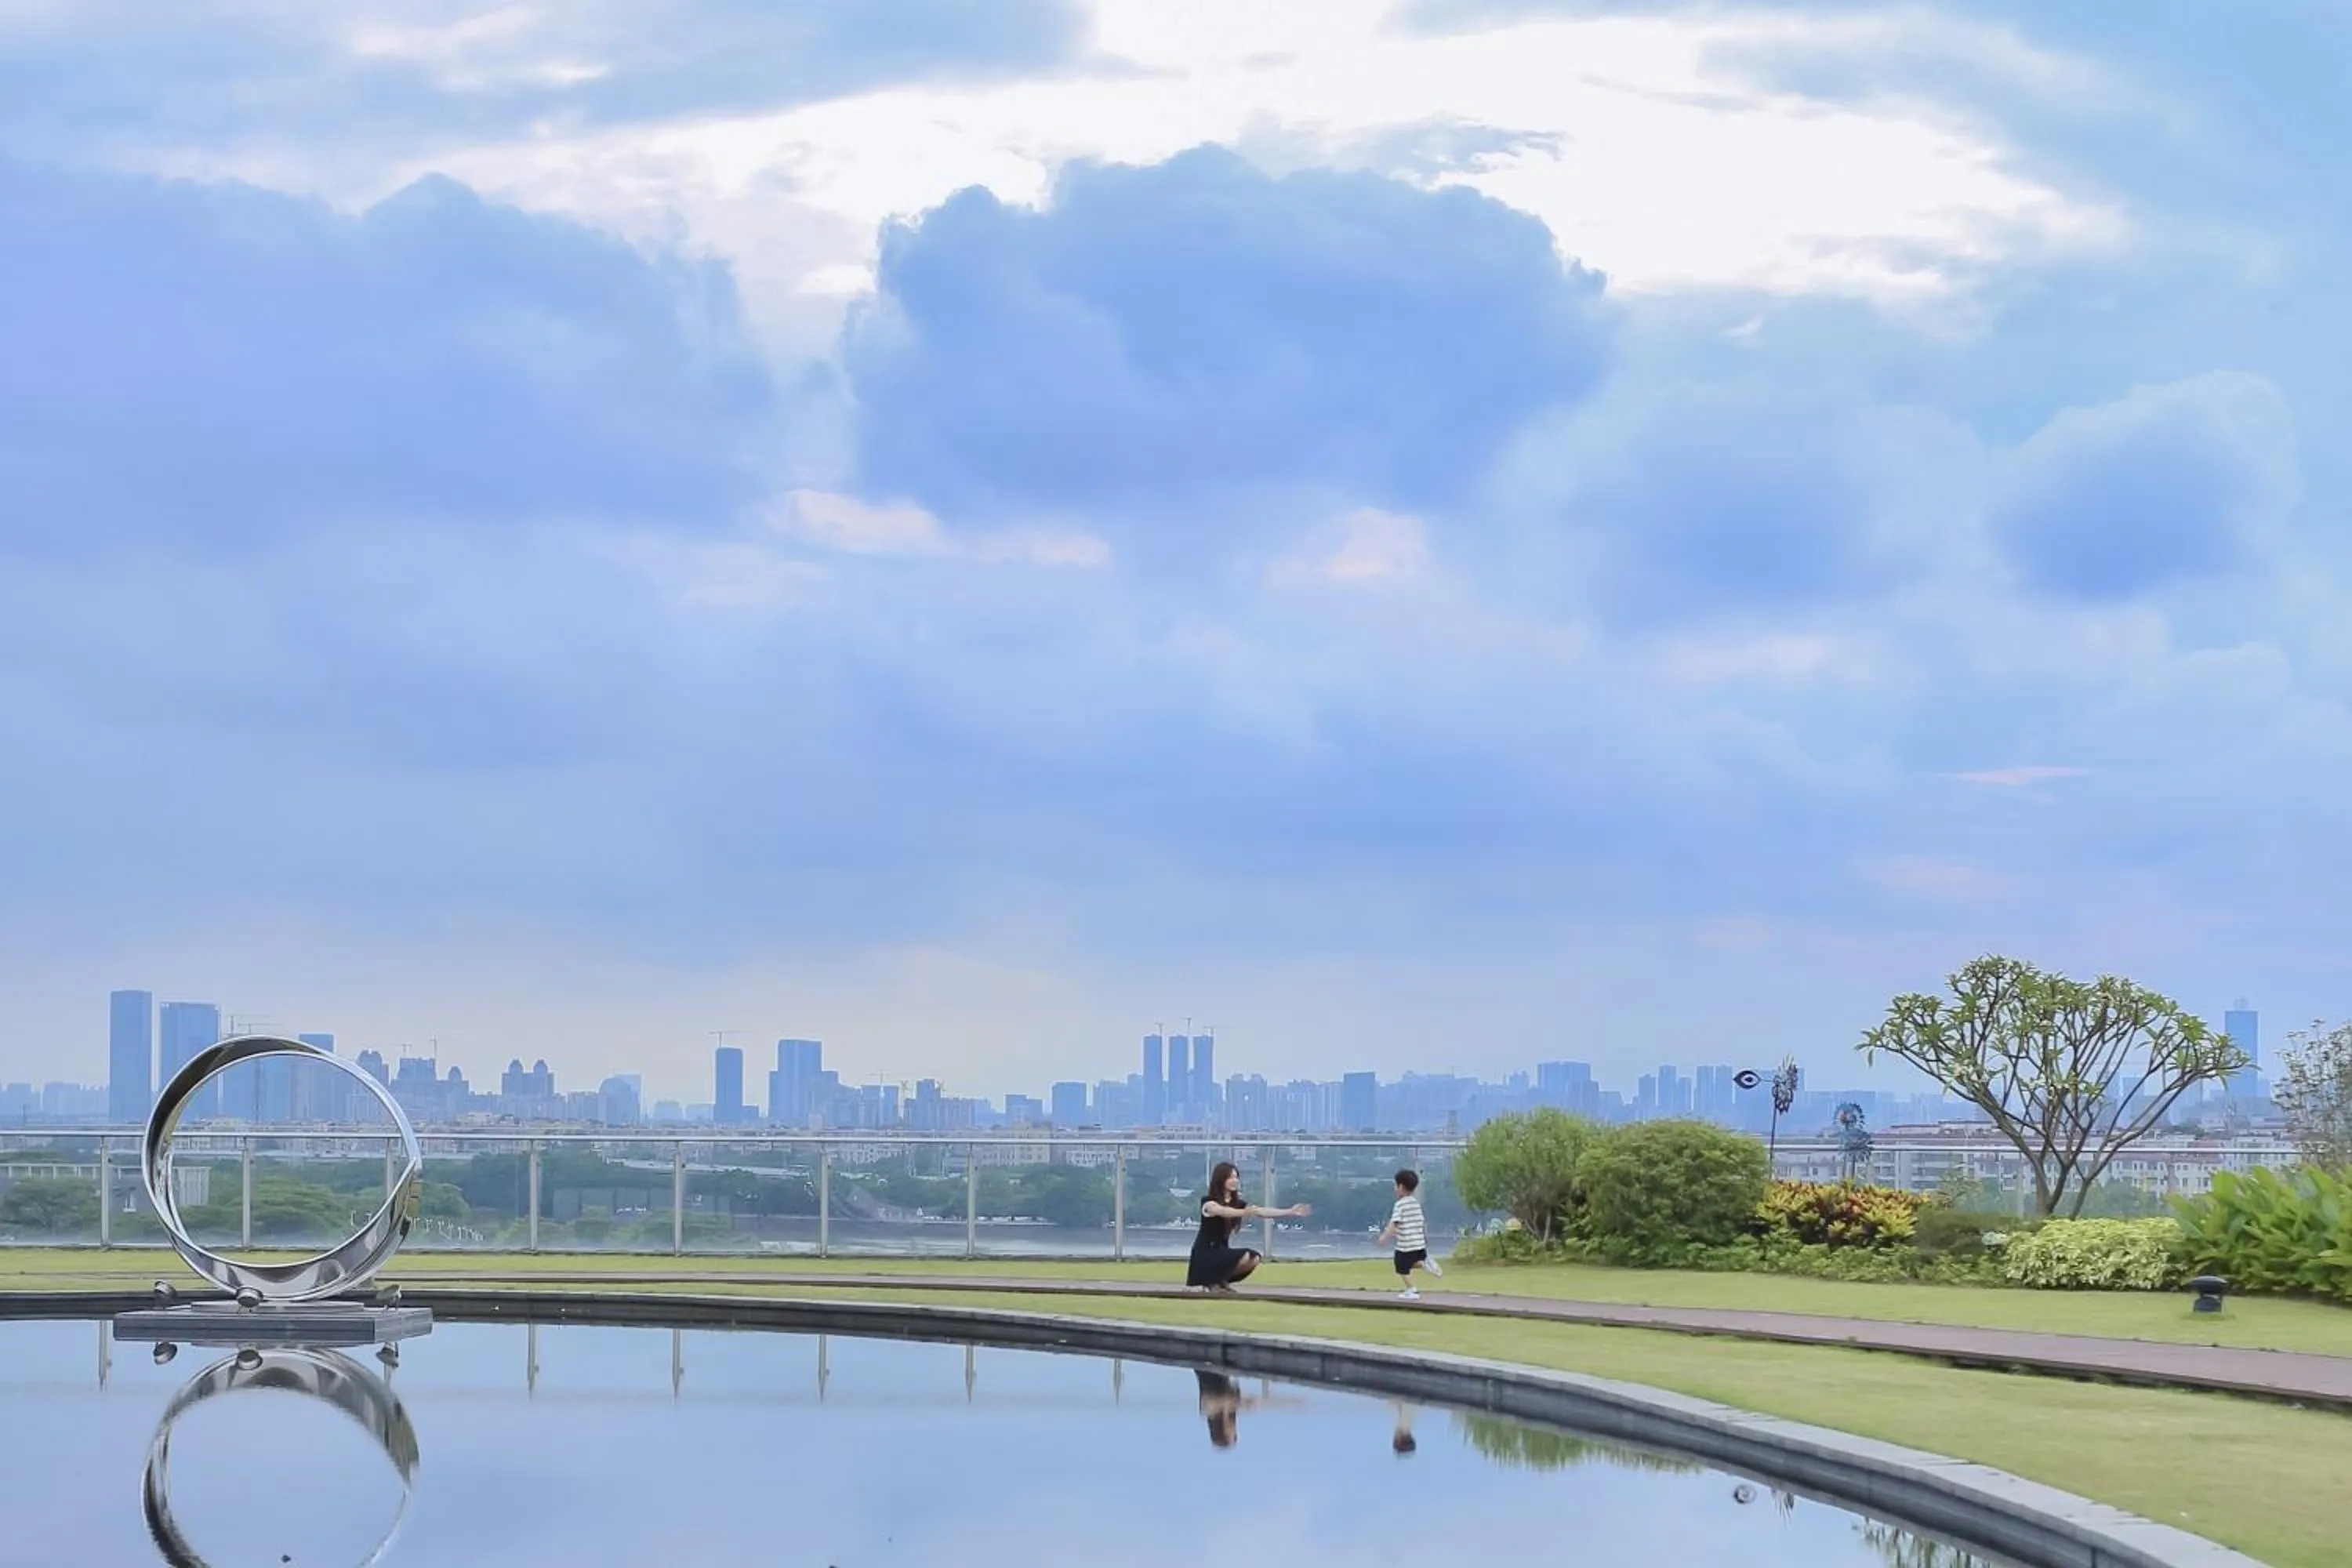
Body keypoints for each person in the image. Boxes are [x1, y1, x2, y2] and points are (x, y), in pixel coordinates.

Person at [1189, 1160, 1310, 1294]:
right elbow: (1223, 1211)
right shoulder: (1208, 1202)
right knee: (1245, 1256)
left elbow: (1261, 1211)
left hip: (1221, 1250)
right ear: (1221, 1179)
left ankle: (1220, 1281)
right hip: (1205, 1253)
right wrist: (1245, 1212)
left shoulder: (1238, 1203)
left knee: (1254, 1258)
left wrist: (1289, 1211)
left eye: (1236, 1177)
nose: (1235, 1181)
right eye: (1230, 1177)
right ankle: (1212, 1282)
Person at [1374, 1168, 1443, 1299]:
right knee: (1412, 1263)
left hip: (1406, 1246)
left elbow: (1394, 1224)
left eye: (1395, 1185)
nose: (1394, 1188)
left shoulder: (1400, 1205)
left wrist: (1384, 1237)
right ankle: (1424, 1263)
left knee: (1401, 1266)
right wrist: (1425, 1239)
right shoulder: (1416, 1203)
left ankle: (1412, 1290)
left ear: (1401, 1187)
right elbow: (1422, 1223)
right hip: (1420, 1245)